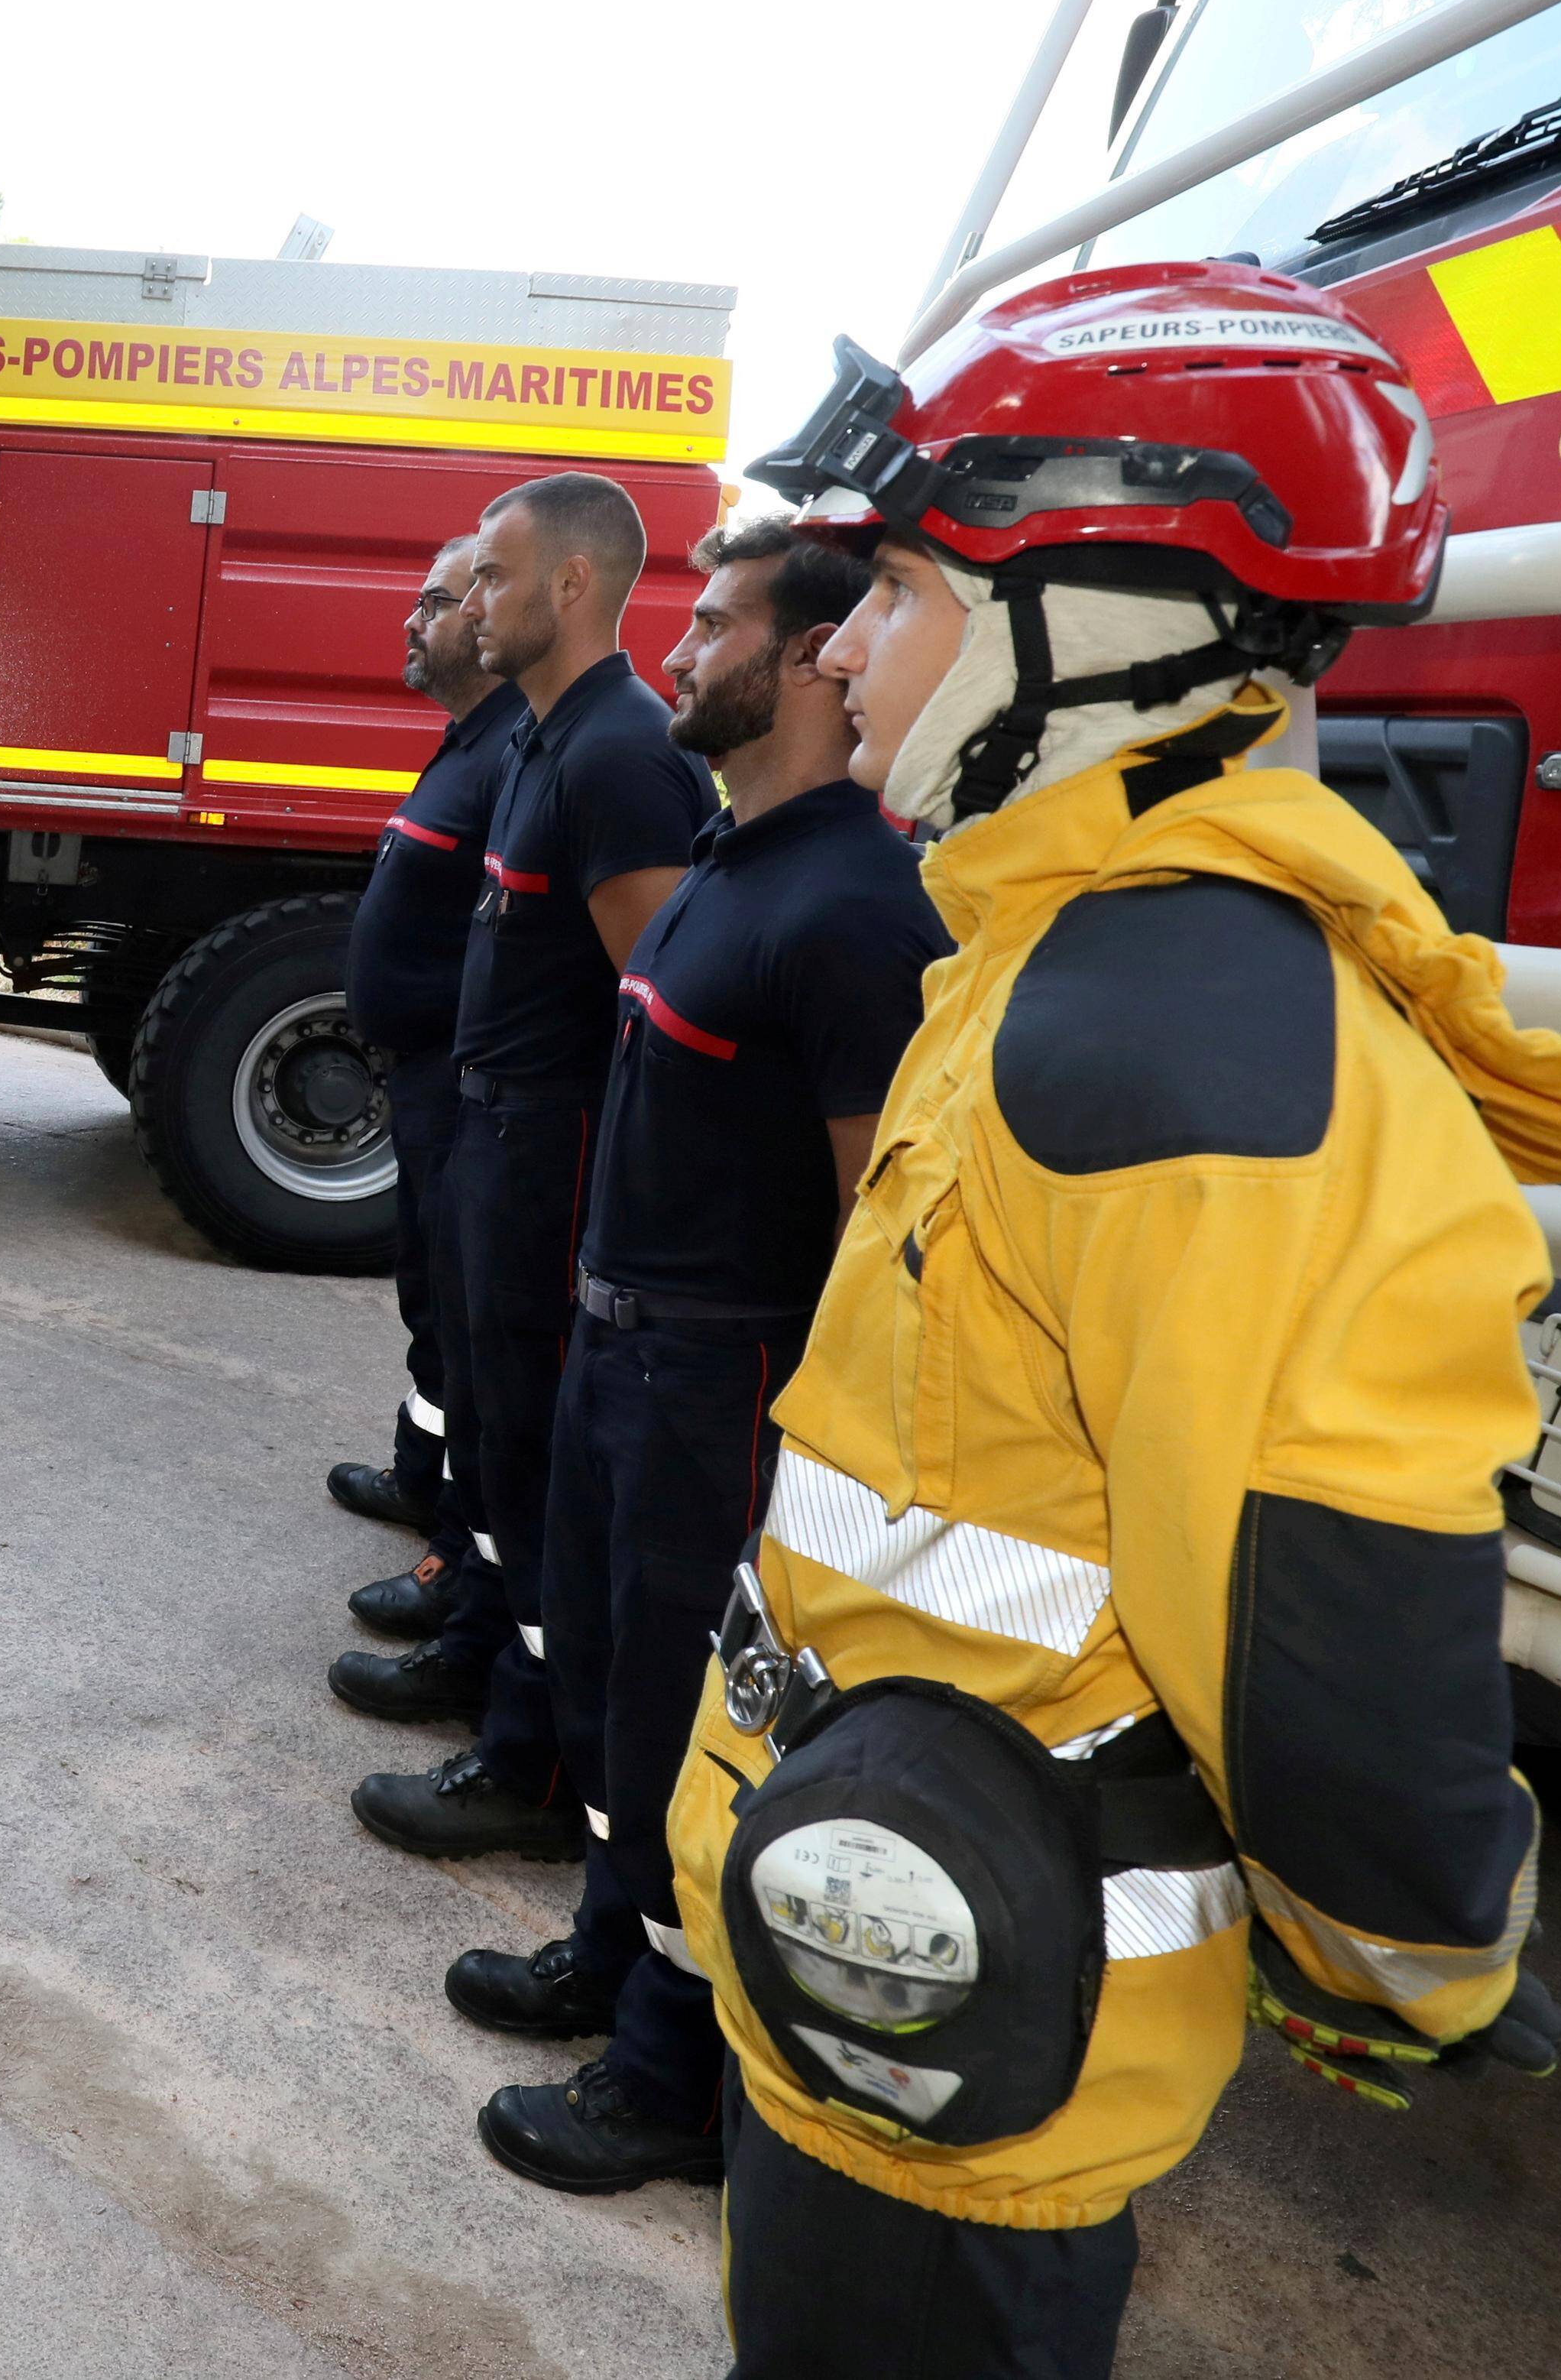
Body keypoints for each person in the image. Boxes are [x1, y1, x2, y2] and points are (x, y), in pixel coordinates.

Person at [678, 266, 1561, 2372]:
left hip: (976, 2009)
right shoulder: (1061, 959)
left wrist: (1414, 1936)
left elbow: (1329, 1600)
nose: (841, 643)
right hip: (884, 1929)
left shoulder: (1188, 1049)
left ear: (1105, 626)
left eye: (907, 586)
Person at [454, 518, 947, 2197]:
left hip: (720, 1384)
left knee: (688, 1722)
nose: (675, 649)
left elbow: (878, 1221)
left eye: (714, 622)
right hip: (620, 1354)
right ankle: (612, 1954)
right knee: (603, 1683)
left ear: (812, 657)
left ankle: (674, 2076)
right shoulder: (734, 861)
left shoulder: (862, 911)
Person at [345, 473, 705, 1856]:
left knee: (539, 1459)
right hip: (494, 1137)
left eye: (491, 576)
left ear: (569, 586)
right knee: (496, 1445)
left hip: (549, 1154)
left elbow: (652, 1018)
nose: (464, 600)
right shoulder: (546, 744)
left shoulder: (617, 752)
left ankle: (534, 1761)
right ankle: (489, 1659)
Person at [326, 538, 517, 1642]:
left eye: (437, 601)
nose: (413, 618)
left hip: (464, 1087)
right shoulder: (469, 742)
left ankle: (457, 1541)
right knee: (430, 1306)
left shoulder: (515, 756)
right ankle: (422, 1469)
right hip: (426, 1084)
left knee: (466, 1313)